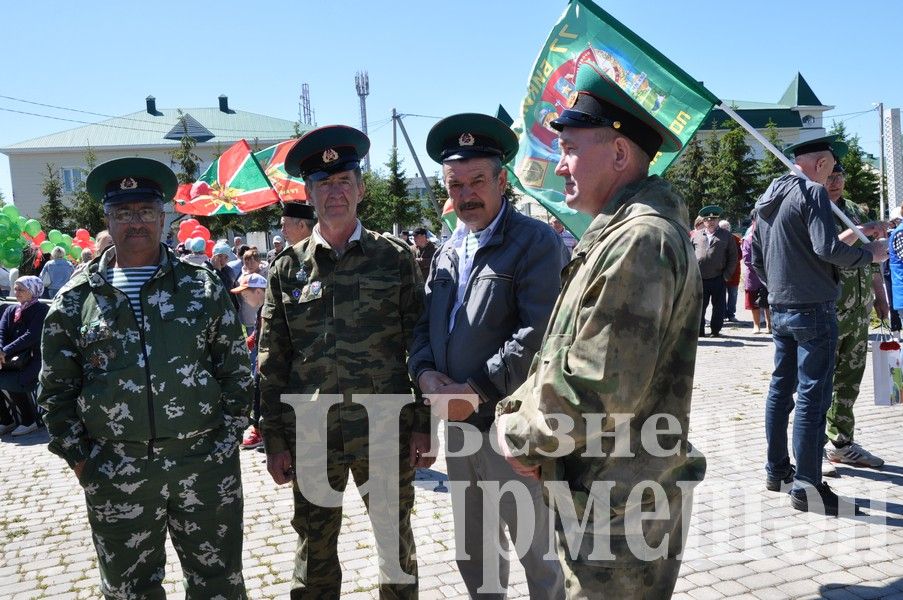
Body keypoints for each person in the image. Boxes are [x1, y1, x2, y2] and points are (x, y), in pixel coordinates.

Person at [495, 62, 706, 599]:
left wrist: (518, 435)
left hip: (617, 513)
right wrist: (515, 409)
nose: (558, 165)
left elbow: (596, 388)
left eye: (568, 148)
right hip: (601, 496)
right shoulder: (617, 235)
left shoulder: (638, 241)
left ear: (617, 153)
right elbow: (559, 356)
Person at [39, 157, 252, 598]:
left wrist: (225, 439)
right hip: (116, 470)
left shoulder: (201, 286)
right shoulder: (76, 299)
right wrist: (83, 459)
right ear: (107, 218)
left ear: (163, 216)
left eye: (146, 212)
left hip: (204, 464)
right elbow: (55, 391)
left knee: (219, 586)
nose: (136, 223)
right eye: (123, 213)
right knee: (129, 590)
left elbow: (235, 368)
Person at [258, 125, 431, 598]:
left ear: (359, 188)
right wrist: (273, 436)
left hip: (385, 430)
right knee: (314, 554)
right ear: (309, 193)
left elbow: (421, 346)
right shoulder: (287, 269)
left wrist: (424, 423)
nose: (335, 193)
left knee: (396, 551)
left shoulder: (394, 259)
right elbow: (272, 360)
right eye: (323, 184)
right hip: (311, 433)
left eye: (344, 182)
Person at [409, 113, 566, 599]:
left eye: (478, 181)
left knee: (535, 551)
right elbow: (422, 325)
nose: (467, 194)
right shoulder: (446, 251)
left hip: (510, 426)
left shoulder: (534, 242)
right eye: (456, 185)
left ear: (502, 180)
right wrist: (425, 375)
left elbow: (538, 333)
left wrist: (475, 390)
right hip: (458, 428)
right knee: (474, 553)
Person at [752, 135, 887, 515]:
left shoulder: (769, 196)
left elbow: (758, 259)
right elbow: (828, 248)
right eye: (829, 166)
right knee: (814, 398)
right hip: (813, 308)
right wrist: (869, 254)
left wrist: (780, 287)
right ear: (822, 163)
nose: (830, 176)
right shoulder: (811, 193)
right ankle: (808, 486)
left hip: (782, 307)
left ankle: (778, 471)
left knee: (781, 391)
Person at [824, 162, 891, 468]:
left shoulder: (854, 210)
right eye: (829, 177)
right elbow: (824, 252)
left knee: (849, 382)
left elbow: (871, 257)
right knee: (819, 382)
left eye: (839, 176)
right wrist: (857, 232)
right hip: (829, 311)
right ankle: (811, 449)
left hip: (859, 312)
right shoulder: (818, 210)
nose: (835, 182)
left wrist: (879, 294)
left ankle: (841, 443)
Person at [0, 276, 48, 437]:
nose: (16, 292)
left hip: (33, 358)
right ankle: (6, 420)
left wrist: (5, 351)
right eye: (15, 288)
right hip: (10, 357)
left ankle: (29, 420)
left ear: (33, 291)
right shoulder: (11, 309)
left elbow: (31, 336)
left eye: (21, 289)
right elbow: (1, 331)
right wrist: (0, 350)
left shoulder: (41, 310)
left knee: (14, 381)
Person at [231, 273, 268, 451]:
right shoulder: (262, 310)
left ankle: (259, 431)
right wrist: (250, 341)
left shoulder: (269, 308)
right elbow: (259, 332)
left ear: (259, 292)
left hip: (267, 363)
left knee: (260, 395)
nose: (244, 300)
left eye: (246, 295)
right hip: (260, 361)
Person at [692, 206, 737, 337]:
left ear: (718, 220)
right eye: (707, 219)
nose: (711, 221)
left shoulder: (727, 236)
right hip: (699, 278)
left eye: (714, 219)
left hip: (719, 277)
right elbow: (689, 254)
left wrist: (727, 275)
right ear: (703, 221)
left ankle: (715, 330)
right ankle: (699, 331)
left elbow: (733, 257)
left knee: (718, 307)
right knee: (699, 307)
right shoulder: (696, 235)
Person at [742, 216, 772, 334]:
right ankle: (756, 325)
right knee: (754, 302)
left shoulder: (768, 237)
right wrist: (759, 269)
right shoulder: (748, 239)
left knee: (768, 302)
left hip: (767, 275)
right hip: (753, 276)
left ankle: (769, 325)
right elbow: (746, 259)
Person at [720, 219, 742, 321]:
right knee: (721, 294)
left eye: (727, 228)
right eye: (723, 228)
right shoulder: (718, 239)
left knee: (733, 294)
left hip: (734, 272)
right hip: (720, 272)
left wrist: (731, 263)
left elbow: (740, 255)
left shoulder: (736, 239)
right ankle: (723, 314)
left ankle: (731, 314)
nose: (725, 230)